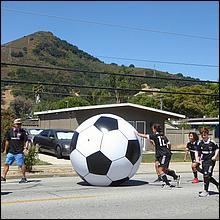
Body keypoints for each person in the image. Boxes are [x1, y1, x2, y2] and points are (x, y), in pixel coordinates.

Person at [136, 123, 180, 189]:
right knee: (161, 168)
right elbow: (169, 144)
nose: (152, 130)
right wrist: (167, 150)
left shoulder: (155, 136)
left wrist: (137, 134)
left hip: (163, 154)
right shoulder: (163, 136)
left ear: (155, 129)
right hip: (164, 153)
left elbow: (145, 136)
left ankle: (167, 184)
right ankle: (175, 176)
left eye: (153, 128)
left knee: (160, 169)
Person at [1, 118, 29, 183]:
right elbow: (7, 141)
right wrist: (5, 150)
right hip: (11, 151)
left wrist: (26, 148)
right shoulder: (10, 131)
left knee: (21, 165)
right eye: (17, 124)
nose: (19, 125)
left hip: (19, 152)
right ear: (14, 124)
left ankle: (24, 178)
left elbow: (26, 140)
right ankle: (3, 177)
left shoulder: (23, 132)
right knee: (6, 164)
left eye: (20, 124)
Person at [195, 127, 219, 197]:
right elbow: (197, 151)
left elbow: (217, 149)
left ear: (207, 134)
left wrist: (215, 156)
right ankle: (217, 184)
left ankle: (206, 191)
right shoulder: (200, 142)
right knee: (208, 175)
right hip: (204, 161)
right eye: (202, 134)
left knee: (206, 175)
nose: (203, 136)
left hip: (211, 161)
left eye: (205, 134)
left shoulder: (212, 142)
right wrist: (197, 159)